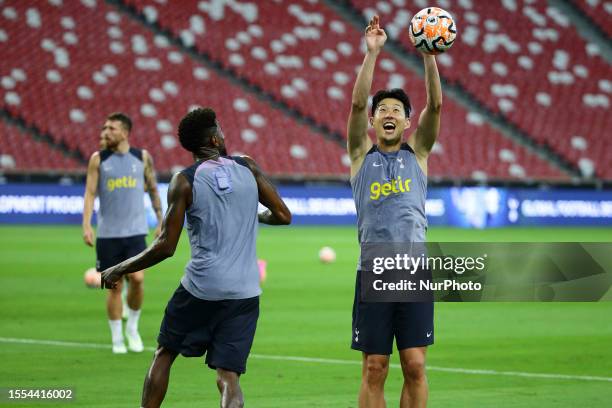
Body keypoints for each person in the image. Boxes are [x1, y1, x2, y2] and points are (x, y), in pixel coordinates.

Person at [100, 107, 291, 408]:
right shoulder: (248, 167)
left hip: (201, 288)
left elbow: (165, 246)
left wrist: (119, 268)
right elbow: (283, 215)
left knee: (165, 353)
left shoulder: (184, 181)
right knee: (228, 376)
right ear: (214, 139)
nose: (224, 134)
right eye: (220, 129)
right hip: (244, 292)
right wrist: (256, 215)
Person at [347, 16, 441, 407]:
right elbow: (355, 102)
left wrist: (429, 57)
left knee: (415, 365)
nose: (388, 113)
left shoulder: (418, 152)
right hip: (374, 274)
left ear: (406, 121)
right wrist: (372, 53)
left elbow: (436, 104)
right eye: (381, 109)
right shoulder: (359, 155)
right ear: (373, 121)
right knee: (375, 366)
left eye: (396, 110)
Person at [82, 112, 163, 354]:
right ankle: (117, 339)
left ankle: (132, 328)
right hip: (108, 234)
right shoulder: (98, 159)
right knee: (114, 287)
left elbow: (153, 189)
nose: (105, 132)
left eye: (111, 128)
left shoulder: (142, 158)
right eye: (104, 128)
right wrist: (86, 224)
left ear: (125, 133)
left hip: (136, 233)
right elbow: (89, 193)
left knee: (137, 280)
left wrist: (161, 220)